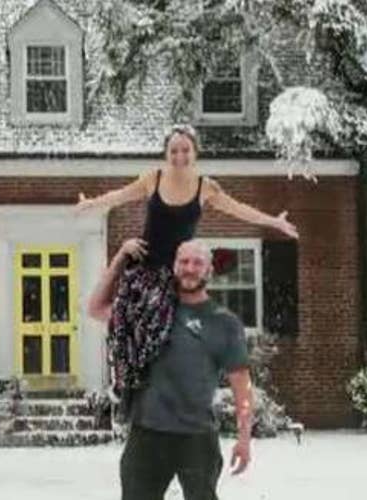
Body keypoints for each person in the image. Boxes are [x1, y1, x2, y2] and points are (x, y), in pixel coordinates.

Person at [76, 124, 296, 418]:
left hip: (177, 275)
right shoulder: (152, 179)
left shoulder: (205, 187)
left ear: (195, 153)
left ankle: (168, 394)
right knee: (128, 324)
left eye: (185, 150)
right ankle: (129, 386)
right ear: (166, 154)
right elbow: (119, 196)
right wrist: (91, 203)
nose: (179, 156)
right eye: (174, 150)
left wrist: (274, 222)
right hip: (144, 268)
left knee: (170, 332)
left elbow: (239, 209)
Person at [88, 238, 254, 500]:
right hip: (147, 435)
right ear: (174, 266)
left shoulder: (224, 323)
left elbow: (241, 384)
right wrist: (120, 258)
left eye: (198, 263)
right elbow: (96, 308)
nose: (190, 268)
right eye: (184, 261)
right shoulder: (150, 311)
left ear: (209, 270)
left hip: (197, 438)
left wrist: (244, 438)